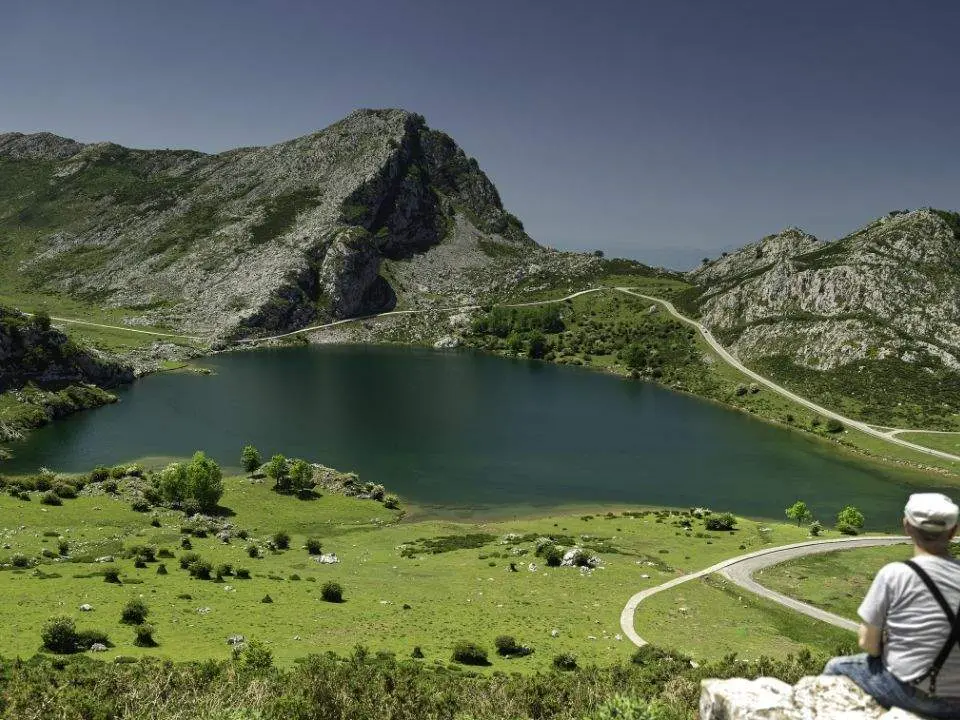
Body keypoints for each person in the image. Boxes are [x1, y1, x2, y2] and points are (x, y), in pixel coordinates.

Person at [824, 493, 960, 719]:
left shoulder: (895, 574)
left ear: (907, 526)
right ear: (953, 531)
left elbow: (868, 644)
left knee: (836, 667)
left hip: (908, 691)